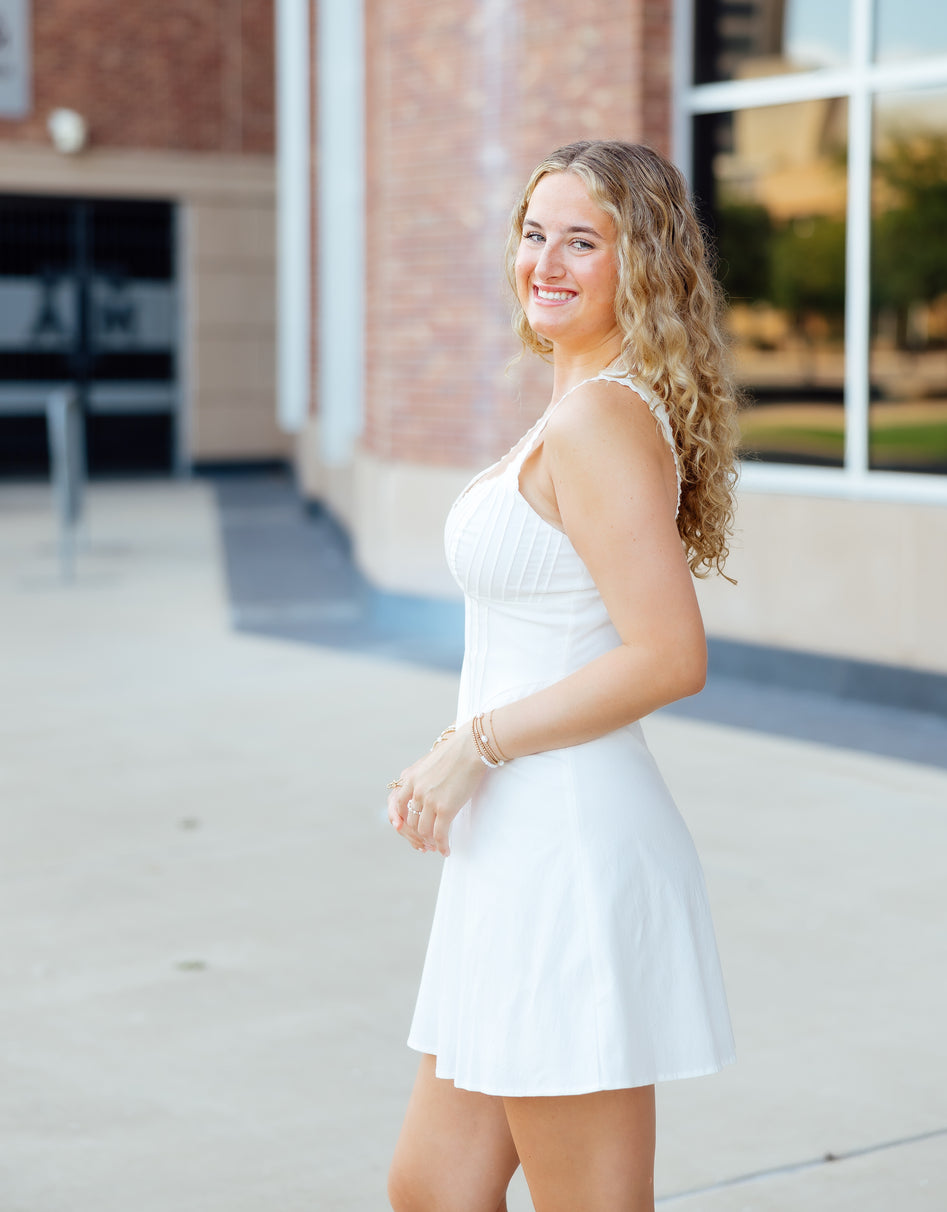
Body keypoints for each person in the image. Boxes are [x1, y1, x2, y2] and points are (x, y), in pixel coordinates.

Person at [386, 140, 739, 1212]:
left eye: (581, 240)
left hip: (567, 856)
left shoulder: (598, 421)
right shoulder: (574, 410)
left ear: (644, 265)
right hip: (515, 849)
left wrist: (472, 743)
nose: (546, 260)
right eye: (536, 234)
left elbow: (670, 656)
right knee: (435, 1190)